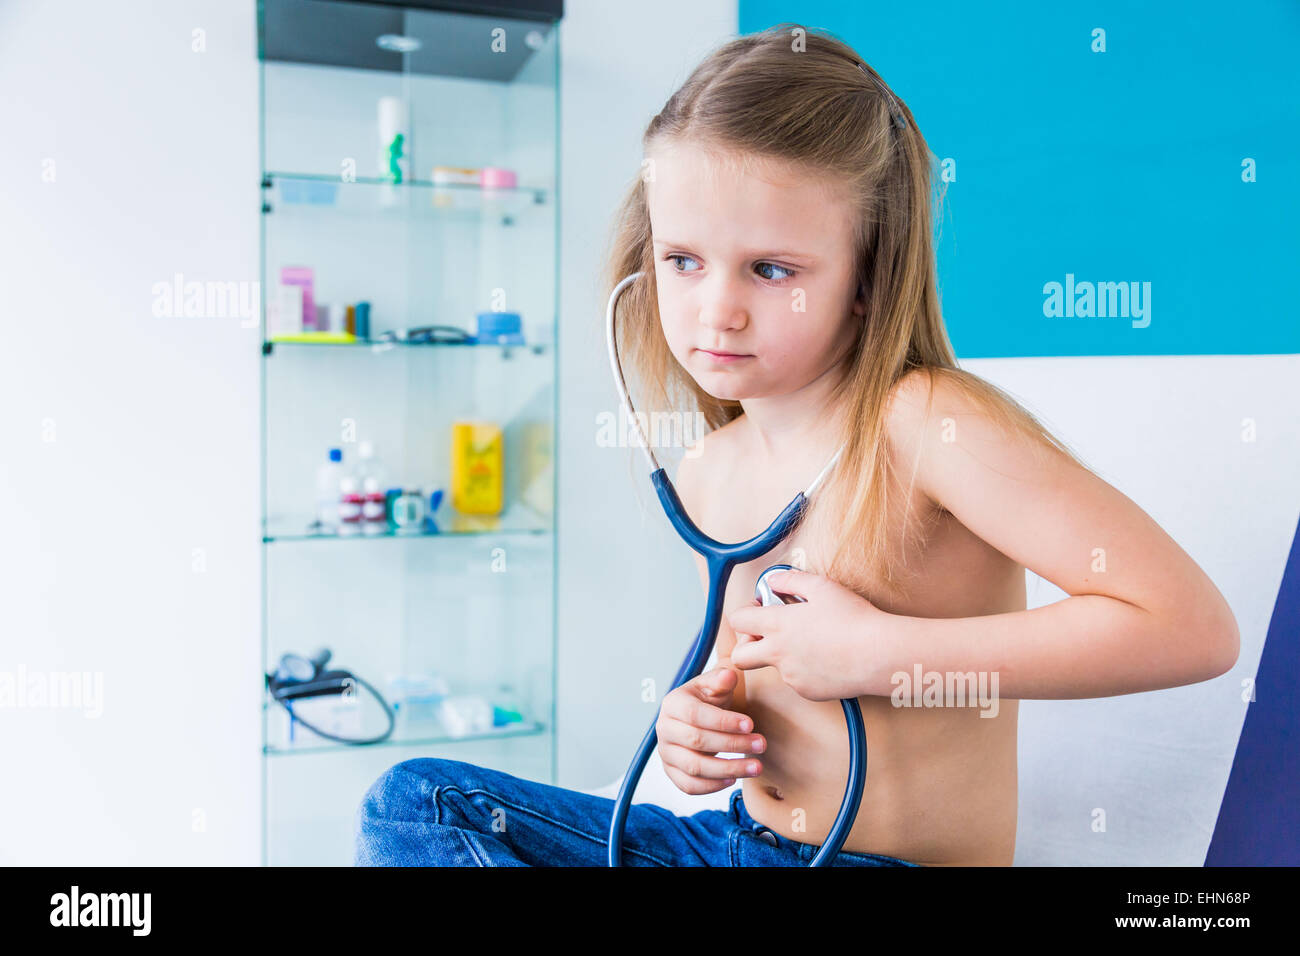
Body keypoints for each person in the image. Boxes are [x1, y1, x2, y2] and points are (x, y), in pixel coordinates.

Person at [354, 23, 1239, 867]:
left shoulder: (923, 424)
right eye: (683, 261)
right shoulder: (713, 468)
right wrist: (698, 724)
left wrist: (881, 655)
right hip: (738, 841)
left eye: (771, 270)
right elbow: (758, 678)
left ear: (868, 275)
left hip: (890, 863)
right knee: (413, 802)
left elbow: (1189, 627)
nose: (716, 309)